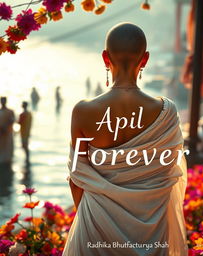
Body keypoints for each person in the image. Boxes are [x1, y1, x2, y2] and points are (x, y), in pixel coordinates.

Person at [63, 23, 188, 256]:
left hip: (95, 228)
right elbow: (168, 173)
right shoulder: (166, 112)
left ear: (104, 57)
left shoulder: (82, 111)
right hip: (152, 231)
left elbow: (76, 177)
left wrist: (91, 217)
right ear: (146, 59)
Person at [0, 97, 15, 164]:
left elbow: (12, 120)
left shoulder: (10, 111)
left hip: (8, 133)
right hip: (1, 133)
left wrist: (5, 127)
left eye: (3, 101)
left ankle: (8, 161)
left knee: (8, 148)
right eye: (1, 101)